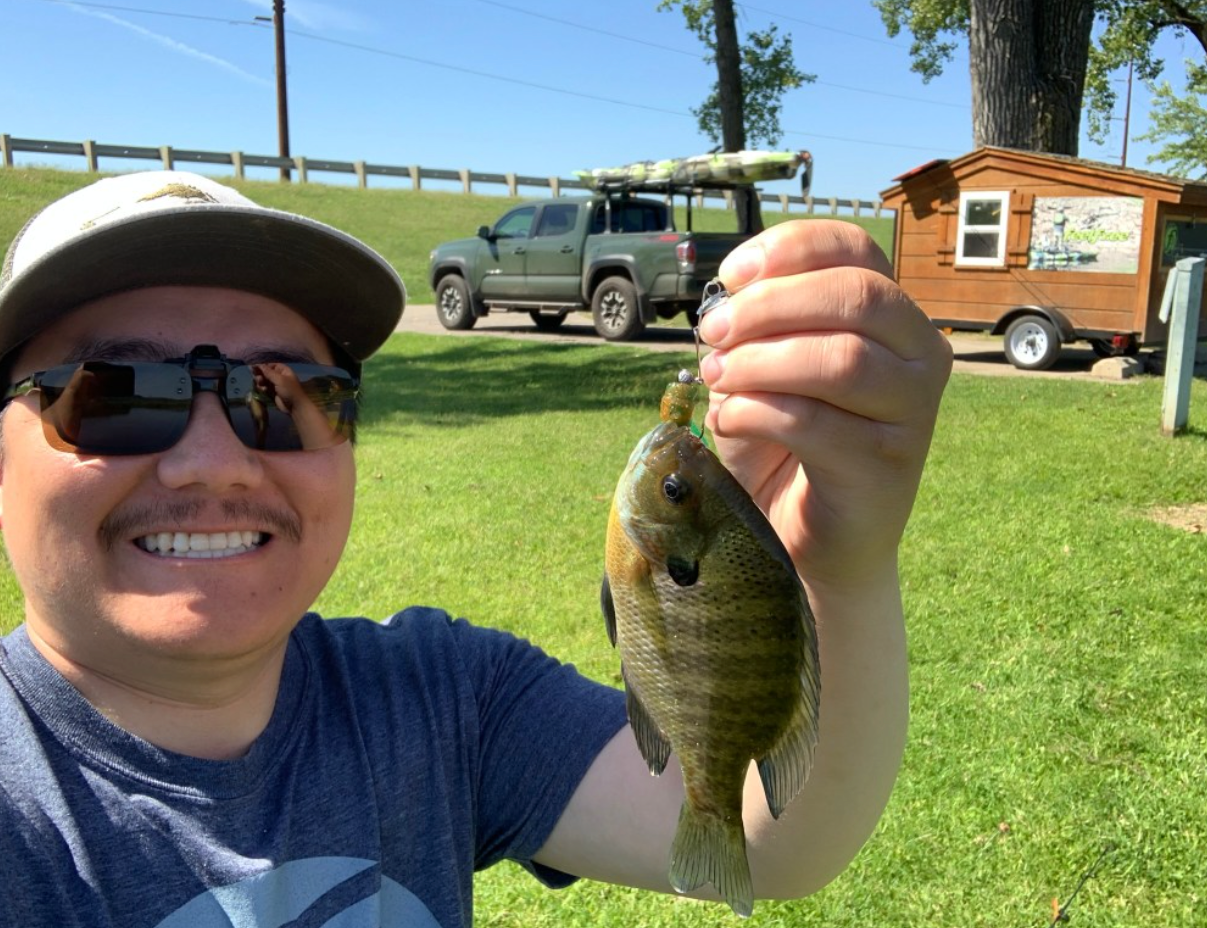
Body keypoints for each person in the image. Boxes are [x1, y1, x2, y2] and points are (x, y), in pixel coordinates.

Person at [0, 170, 952, 927]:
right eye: (115, 393)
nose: (212, 460)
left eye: (281, 395)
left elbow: (766, 841)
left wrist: (833, 566)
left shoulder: (442, 701)